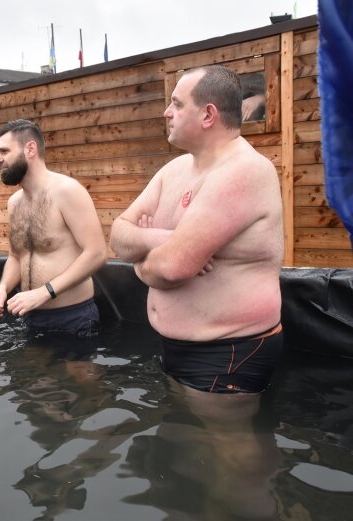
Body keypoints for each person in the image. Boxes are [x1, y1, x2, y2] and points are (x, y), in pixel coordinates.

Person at [109, 65, 284, 394]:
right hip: (178, 345)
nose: (166, 112)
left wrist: (140, 259)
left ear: (208, 115)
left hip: (227, 350)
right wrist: (159, 238)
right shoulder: (174, 169)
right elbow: (118, 233)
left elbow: (173, 268)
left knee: (228, 445)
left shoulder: (244, 170)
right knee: (188, 439)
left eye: (176, 103)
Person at [0, 119, 108, 340]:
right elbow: (16, 256)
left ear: (30, 149)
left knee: (77, 375)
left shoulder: (67, 191)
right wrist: (2, 288)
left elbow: (97, 253)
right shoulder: (14, 203)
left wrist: (45, 292)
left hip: (73, 316)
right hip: (30, 315)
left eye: (4, 151)